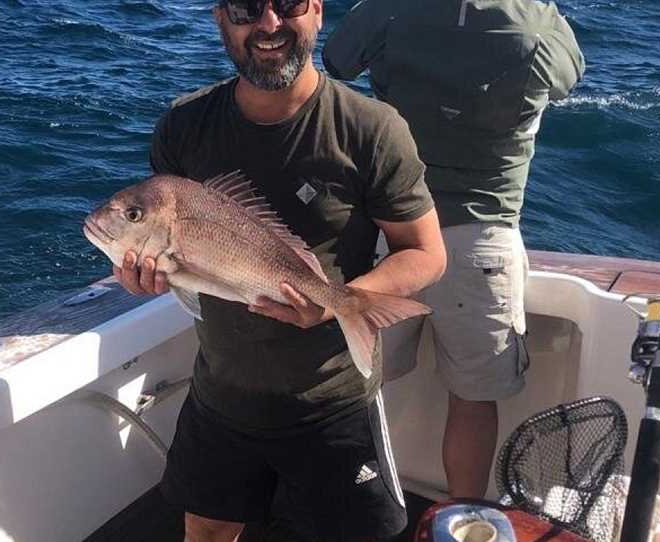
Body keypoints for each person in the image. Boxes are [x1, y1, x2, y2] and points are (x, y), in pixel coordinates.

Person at [112, 0, 446, 540]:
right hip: (220, 396)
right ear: (221, 17)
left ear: (317, 11)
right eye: (246, 7)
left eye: (288, 4)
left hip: (331, 405)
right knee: (206, 531)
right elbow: (162, 238)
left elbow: (426, 253)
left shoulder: (371, 128)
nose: (268, 25)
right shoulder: (184, 125)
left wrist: (345, 300)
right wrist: (143, 275)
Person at [323, 0, 585, 498]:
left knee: (354, 389)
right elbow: (568, 77)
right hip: (483, 244)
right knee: (471, 402)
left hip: (390, 236)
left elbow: (336, 60)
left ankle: (348, 511)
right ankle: (461, 518)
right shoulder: (534, 16)